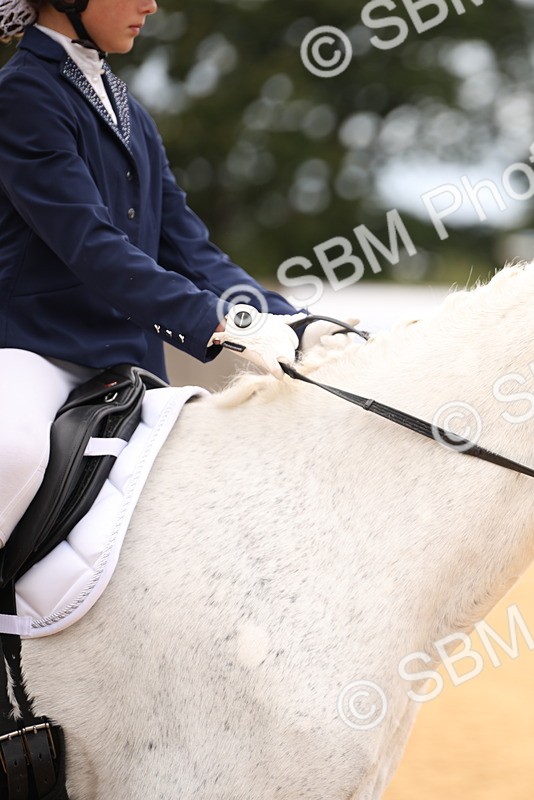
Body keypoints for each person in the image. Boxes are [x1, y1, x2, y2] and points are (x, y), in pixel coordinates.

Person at [0, 0, 331, 545]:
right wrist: (222, 324)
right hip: (39, 351)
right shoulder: (22, 95)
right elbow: (92, 246)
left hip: (128, 362)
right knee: (11, 454)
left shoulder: (125, 106)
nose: (150, 5)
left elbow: (189, 250)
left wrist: (291, 319)